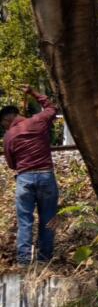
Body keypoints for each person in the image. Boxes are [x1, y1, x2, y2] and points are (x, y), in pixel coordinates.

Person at [1, 86, 59, 265]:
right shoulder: (38, 121)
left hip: (24, 179)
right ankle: (44, 260)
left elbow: (12, 165)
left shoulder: (9, 136)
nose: (3, 126)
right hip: (46, 176)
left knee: (25, 221)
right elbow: (52, 108)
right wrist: (33, 92)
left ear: (8, 118)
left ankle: (24, 261)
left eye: (2, 123)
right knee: (48, 219)